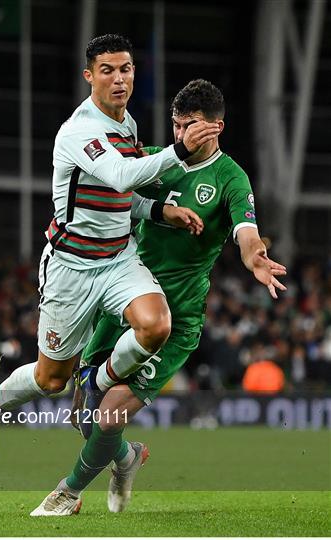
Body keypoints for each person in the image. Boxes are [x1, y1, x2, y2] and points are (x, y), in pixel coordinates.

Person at [31, 79, 287, 516]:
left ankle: (67, 493)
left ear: (217, 126)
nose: (181, 133)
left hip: (176, 317)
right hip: (122, 296)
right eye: (176, 123)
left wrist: (256, 255)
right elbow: (113, 192)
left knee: (110, 408)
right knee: (83, 414)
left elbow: (246, 233)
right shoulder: (154, 160)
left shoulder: (230, 178)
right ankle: (127, 459)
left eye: (192, 125)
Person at [0, 37, 219, 472]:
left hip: (119, 257)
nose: (119, 78)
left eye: (126, 68)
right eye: (107, 70)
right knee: (50, 380)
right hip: (72, 265)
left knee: (157, 324)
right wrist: (180, 151)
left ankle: (97, 381)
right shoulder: (80, 130)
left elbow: (122, 200)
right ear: (90, 77)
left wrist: (161, 210)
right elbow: (122, 177)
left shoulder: (129, 125)